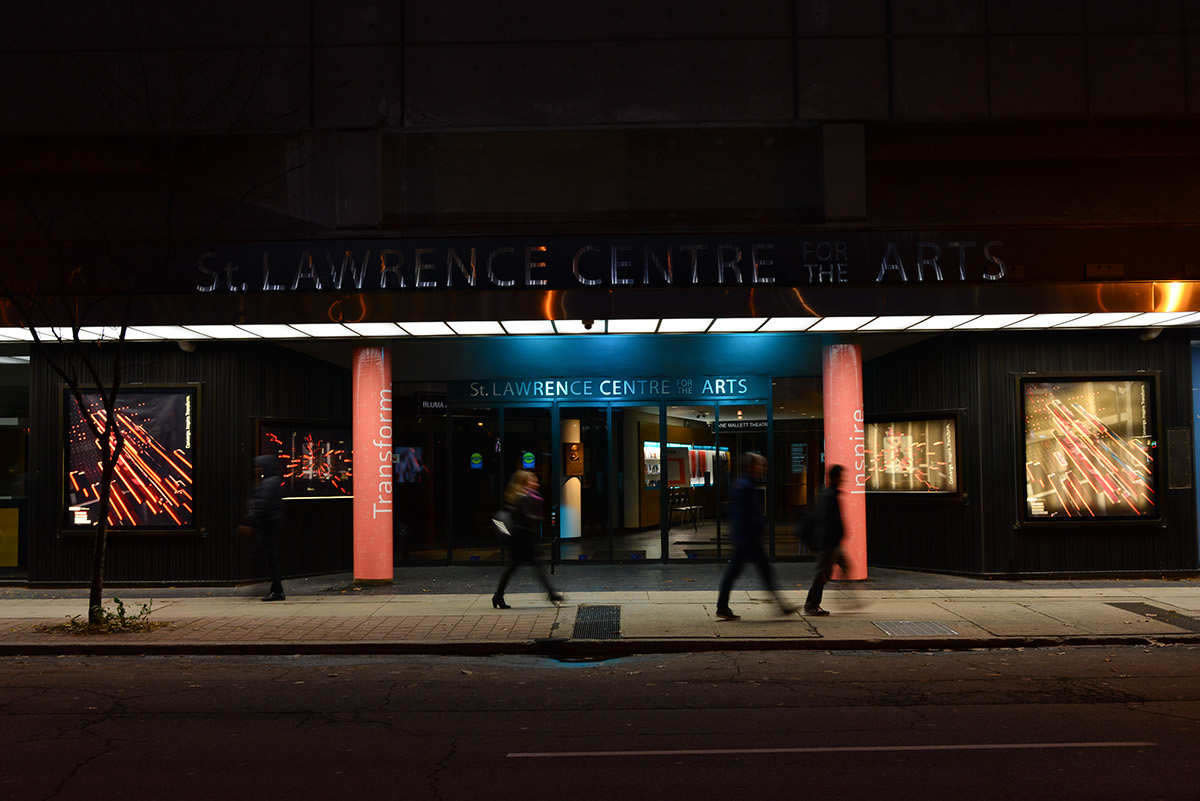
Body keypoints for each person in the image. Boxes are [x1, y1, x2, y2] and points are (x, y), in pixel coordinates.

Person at [716, 452, 796, 620]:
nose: (763, 468)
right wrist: (757, 527)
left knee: (756, 571)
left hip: (746, 536)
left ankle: (781, 606)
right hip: (748, 538)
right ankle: (722, 606)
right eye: (760, 465)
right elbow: (745, 513)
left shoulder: (742, 483)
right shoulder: (745, 485)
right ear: (752, 466)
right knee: (747, 572)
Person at [492, 470, 563, 609]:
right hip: (521, 540)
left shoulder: (520, 496)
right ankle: (552, 593)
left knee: (518, 568)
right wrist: (540, 518)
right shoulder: (524, 498)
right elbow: (525, 518)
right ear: (525, 483)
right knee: (534, 567)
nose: (536, 483)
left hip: (521, 539)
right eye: (533, 480)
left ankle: (498, 596)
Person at [804, 464, 850, 616]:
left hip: (831, 543)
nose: (843, 480)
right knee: (822, 575)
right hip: (828, 543)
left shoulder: (829, 494)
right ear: (834, 477)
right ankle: (812, 604)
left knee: (833, 570)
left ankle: (847, 599)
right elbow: (828, 521)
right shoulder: (829, 495)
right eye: (841, 477)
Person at [245, 454, 286, 601]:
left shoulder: (268, 484)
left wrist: (252, 522)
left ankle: (276, 590)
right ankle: (275, 588)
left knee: (269, 557)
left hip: (268, 527)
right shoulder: (273, 482)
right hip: (271, 525)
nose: (256, 471)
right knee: (270, 557)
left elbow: (261, 506)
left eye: (258, 467)